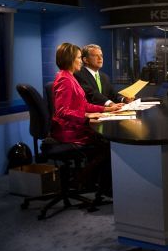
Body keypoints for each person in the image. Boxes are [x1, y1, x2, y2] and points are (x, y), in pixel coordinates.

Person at [51, 43, 122, 193]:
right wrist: (86, 117)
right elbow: (61, 111)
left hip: (74, 127)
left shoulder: (70, 78)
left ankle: (93, 184)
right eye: (78, 58)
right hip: (69, 132)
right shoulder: (65, 79)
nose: (81, 61)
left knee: (105, 143)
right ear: (70, 59)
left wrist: (106, 109)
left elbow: (84, 104)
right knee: (106, 145)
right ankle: (83, 182)